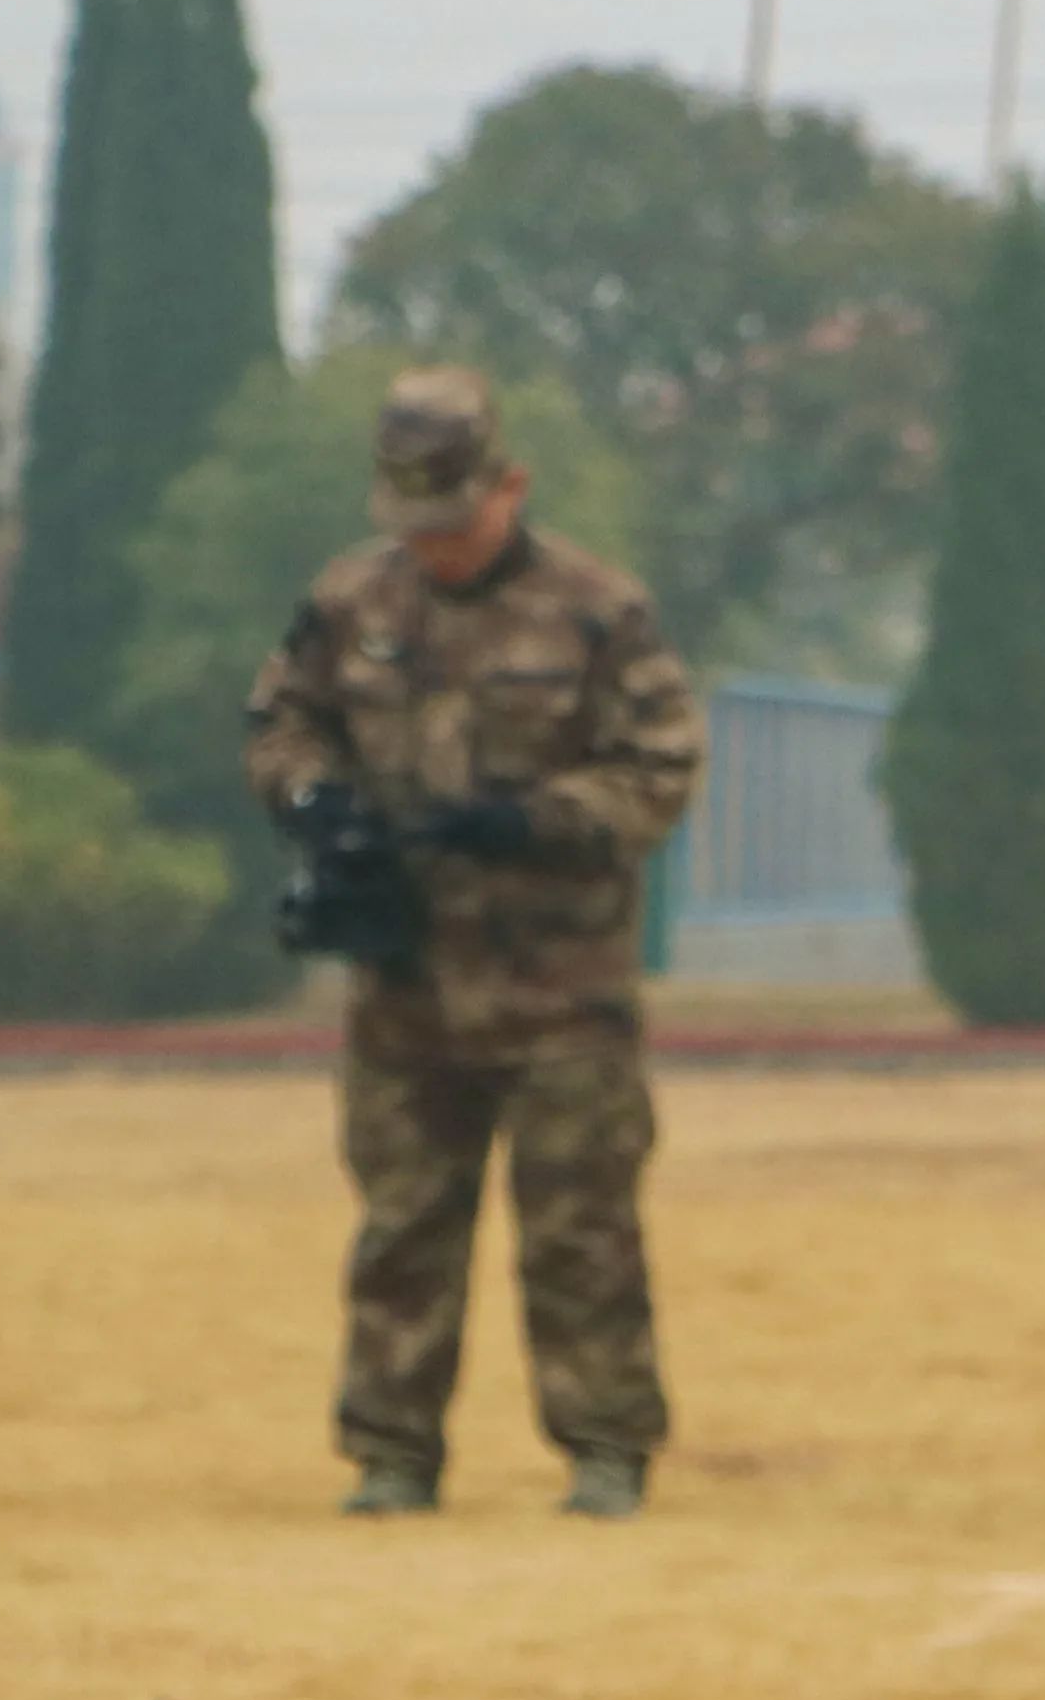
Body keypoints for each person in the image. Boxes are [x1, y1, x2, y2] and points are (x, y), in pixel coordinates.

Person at [244, 365, 703, 1519]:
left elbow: (660, 767)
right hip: (406, 983)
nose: (437, 548)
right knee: (403, 1225)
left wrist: (535, 820)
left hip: (562, 991)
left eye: (455, 521)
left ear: (510, 486)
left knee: (580, 1232)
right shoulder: (350, 604)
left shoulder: (597, 608)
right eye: (416, 526)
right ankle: (391, 1453)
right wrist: (314, 804)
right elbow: (283, 723)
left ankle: (605, 1450)